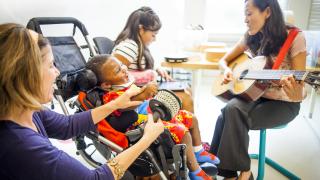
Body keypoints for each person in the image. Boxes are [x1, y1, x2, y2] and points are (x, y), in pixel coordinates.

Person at [0, 23, 165, 180]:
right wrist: (146, 140)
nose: (57, 72)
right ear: (26, 77)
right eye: (51, 65)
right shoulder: (21, 146)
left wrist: (115, 104)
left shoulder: (25, 110)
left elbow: (67, 126)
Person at [209, 0, 306, 180]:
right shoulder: (252, 35)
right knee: (230, 110)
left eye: (249, 13)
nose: (245, 20)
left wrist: (296, 91)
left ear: (267, 12)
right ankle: (239, 171)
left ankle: (223, 171)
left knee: (228, 116)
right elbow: (223, 61)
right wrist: (228, 70)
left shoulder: (294, 37)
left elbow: (299, 88)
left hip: (284, 104)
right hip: (255, 95)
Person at [85, 54, 220, 180]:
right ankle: (195, 170)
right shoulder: (111, 97)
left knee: (191, 118)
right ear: (106, 85)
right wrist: (144, 94)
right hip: (142, 127)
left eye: (122, 66)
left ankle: (198, 151)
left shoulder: (125, 85)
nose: (124, 70)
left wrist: (146, 89)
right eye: (117, 71)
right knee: (182, 132)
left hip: (154, 115)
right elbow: (124, 105)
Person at [112, 6, 194, 113]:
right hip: (138, 94)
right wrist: (150, 75)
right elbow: (115, 79)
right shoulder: (128, 47)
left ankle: (183, 124)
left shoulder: (137, 45)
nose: (155, 39)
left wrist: (156, 70)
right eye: (153, 35)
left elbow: (136, 68)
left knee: (187, 90)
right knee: (186, 97)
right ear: (141, 29)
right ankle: (186, 125)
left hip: (144, 88)